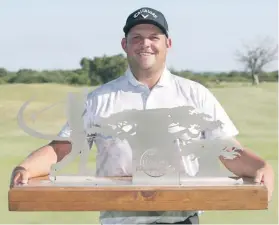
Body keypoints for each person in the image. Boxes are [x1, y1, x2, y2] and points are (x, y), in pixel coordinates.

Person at [10, 7, 274, 225]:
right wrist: (27, 168)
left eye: (154, 36)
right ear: (125, 44)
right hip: (119, 219)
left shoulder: (196, 95)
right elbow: (63, 149)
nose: (145, 44)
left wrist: (262, 167)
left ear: (167, 44)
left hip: (182, 220)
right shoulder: (99, 99)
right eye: (137, 37)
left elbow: (226, 149)